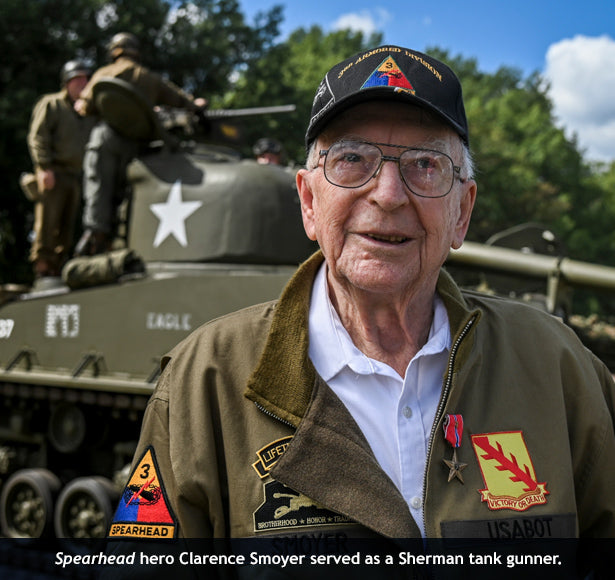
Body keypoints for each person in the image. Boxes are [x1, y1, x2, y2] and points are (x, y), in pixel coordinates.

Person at [107, 46, 615, 576]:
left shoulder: (558, 369)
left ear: (462, 211)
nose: (389, 193)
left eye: (425, 165)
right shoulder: (206, 381)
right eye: (352, 160)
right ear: (308, 201)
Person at [73, 32, 207, 256]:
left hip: (105, 139)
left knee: (98, 186)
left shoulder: (103, 74)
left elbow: (83, 107)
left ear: (114, 51)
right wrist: (196, 103)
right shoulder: (150, 78)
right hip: (137, 146)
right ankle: (118, 243)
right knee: (126, 194)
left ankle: (94, 236)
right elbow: (182, 101)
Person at [25, 59, 95, 280]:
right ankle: (43, 267)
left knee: (66, 224)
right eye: (78, 79)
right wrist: (44, 167)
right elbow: (38, 137)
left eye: (86, 78)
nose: (83, 83)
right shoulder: (51, 104)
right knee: (47, 222)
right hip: (52, 171)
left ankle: (57, 267)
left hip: (74, 175)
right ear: (67, 82)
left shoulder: (88, 111)